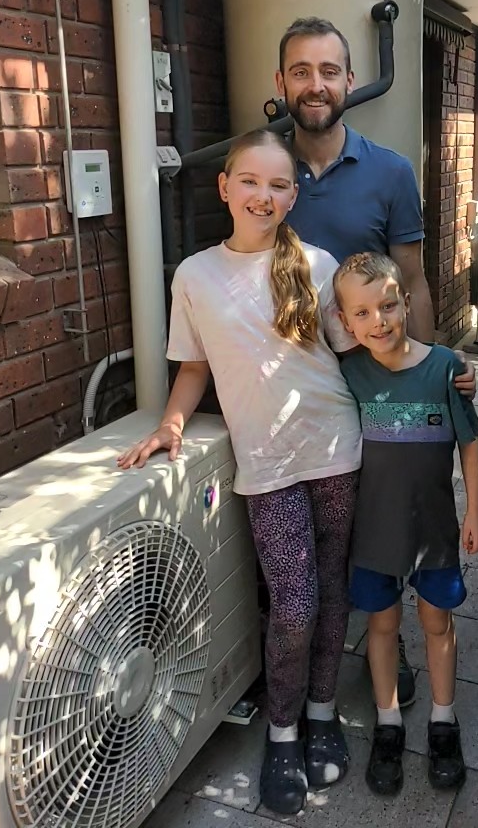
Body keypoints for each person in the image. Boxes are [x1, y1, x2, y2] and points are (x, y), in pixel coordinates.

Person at [117, 130, 362, 817]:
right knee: (293, 604)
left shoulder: (318, 265)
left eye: (278, 184)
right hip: (266, 463)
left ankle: (320, 713)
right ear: (224, 187)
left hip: (336, 448)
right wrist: (169, 423)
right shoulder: (195, 275)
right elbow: (194, 365)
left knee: (332, 586)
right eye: (249, 181)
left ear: (293, 195)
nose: (263, 195)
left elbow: (356, 352)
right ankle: (281, 731)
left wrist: (433, 378)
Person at [275, 16, 477, 705]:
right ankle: (326, 669)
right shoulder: (267, 174)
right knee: (322, 550)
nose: (315, 84)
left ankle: (394, 658)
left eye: (329, 71)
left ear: (350, 83)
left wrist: (437, 373)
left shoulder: (389, 171)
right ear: (280, 83)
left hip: (378, 399)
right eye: (300, 71)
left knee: (395, 525)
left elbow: (414, 283)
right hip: (297, 402)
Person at [333, 251, 478, 796]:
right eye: (363, 313)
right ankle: (389, 722)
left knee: (437, 622)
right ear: (345, 320)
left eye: (389, 305)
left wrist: (474, 509)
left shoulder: (445, 366)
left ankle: (444, 722)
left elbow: (470, 443)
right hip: (374, 532)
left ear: (404, 302)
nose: (379, 321)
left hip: (435, 531)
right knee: (380, 626)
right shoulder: (347, 374)